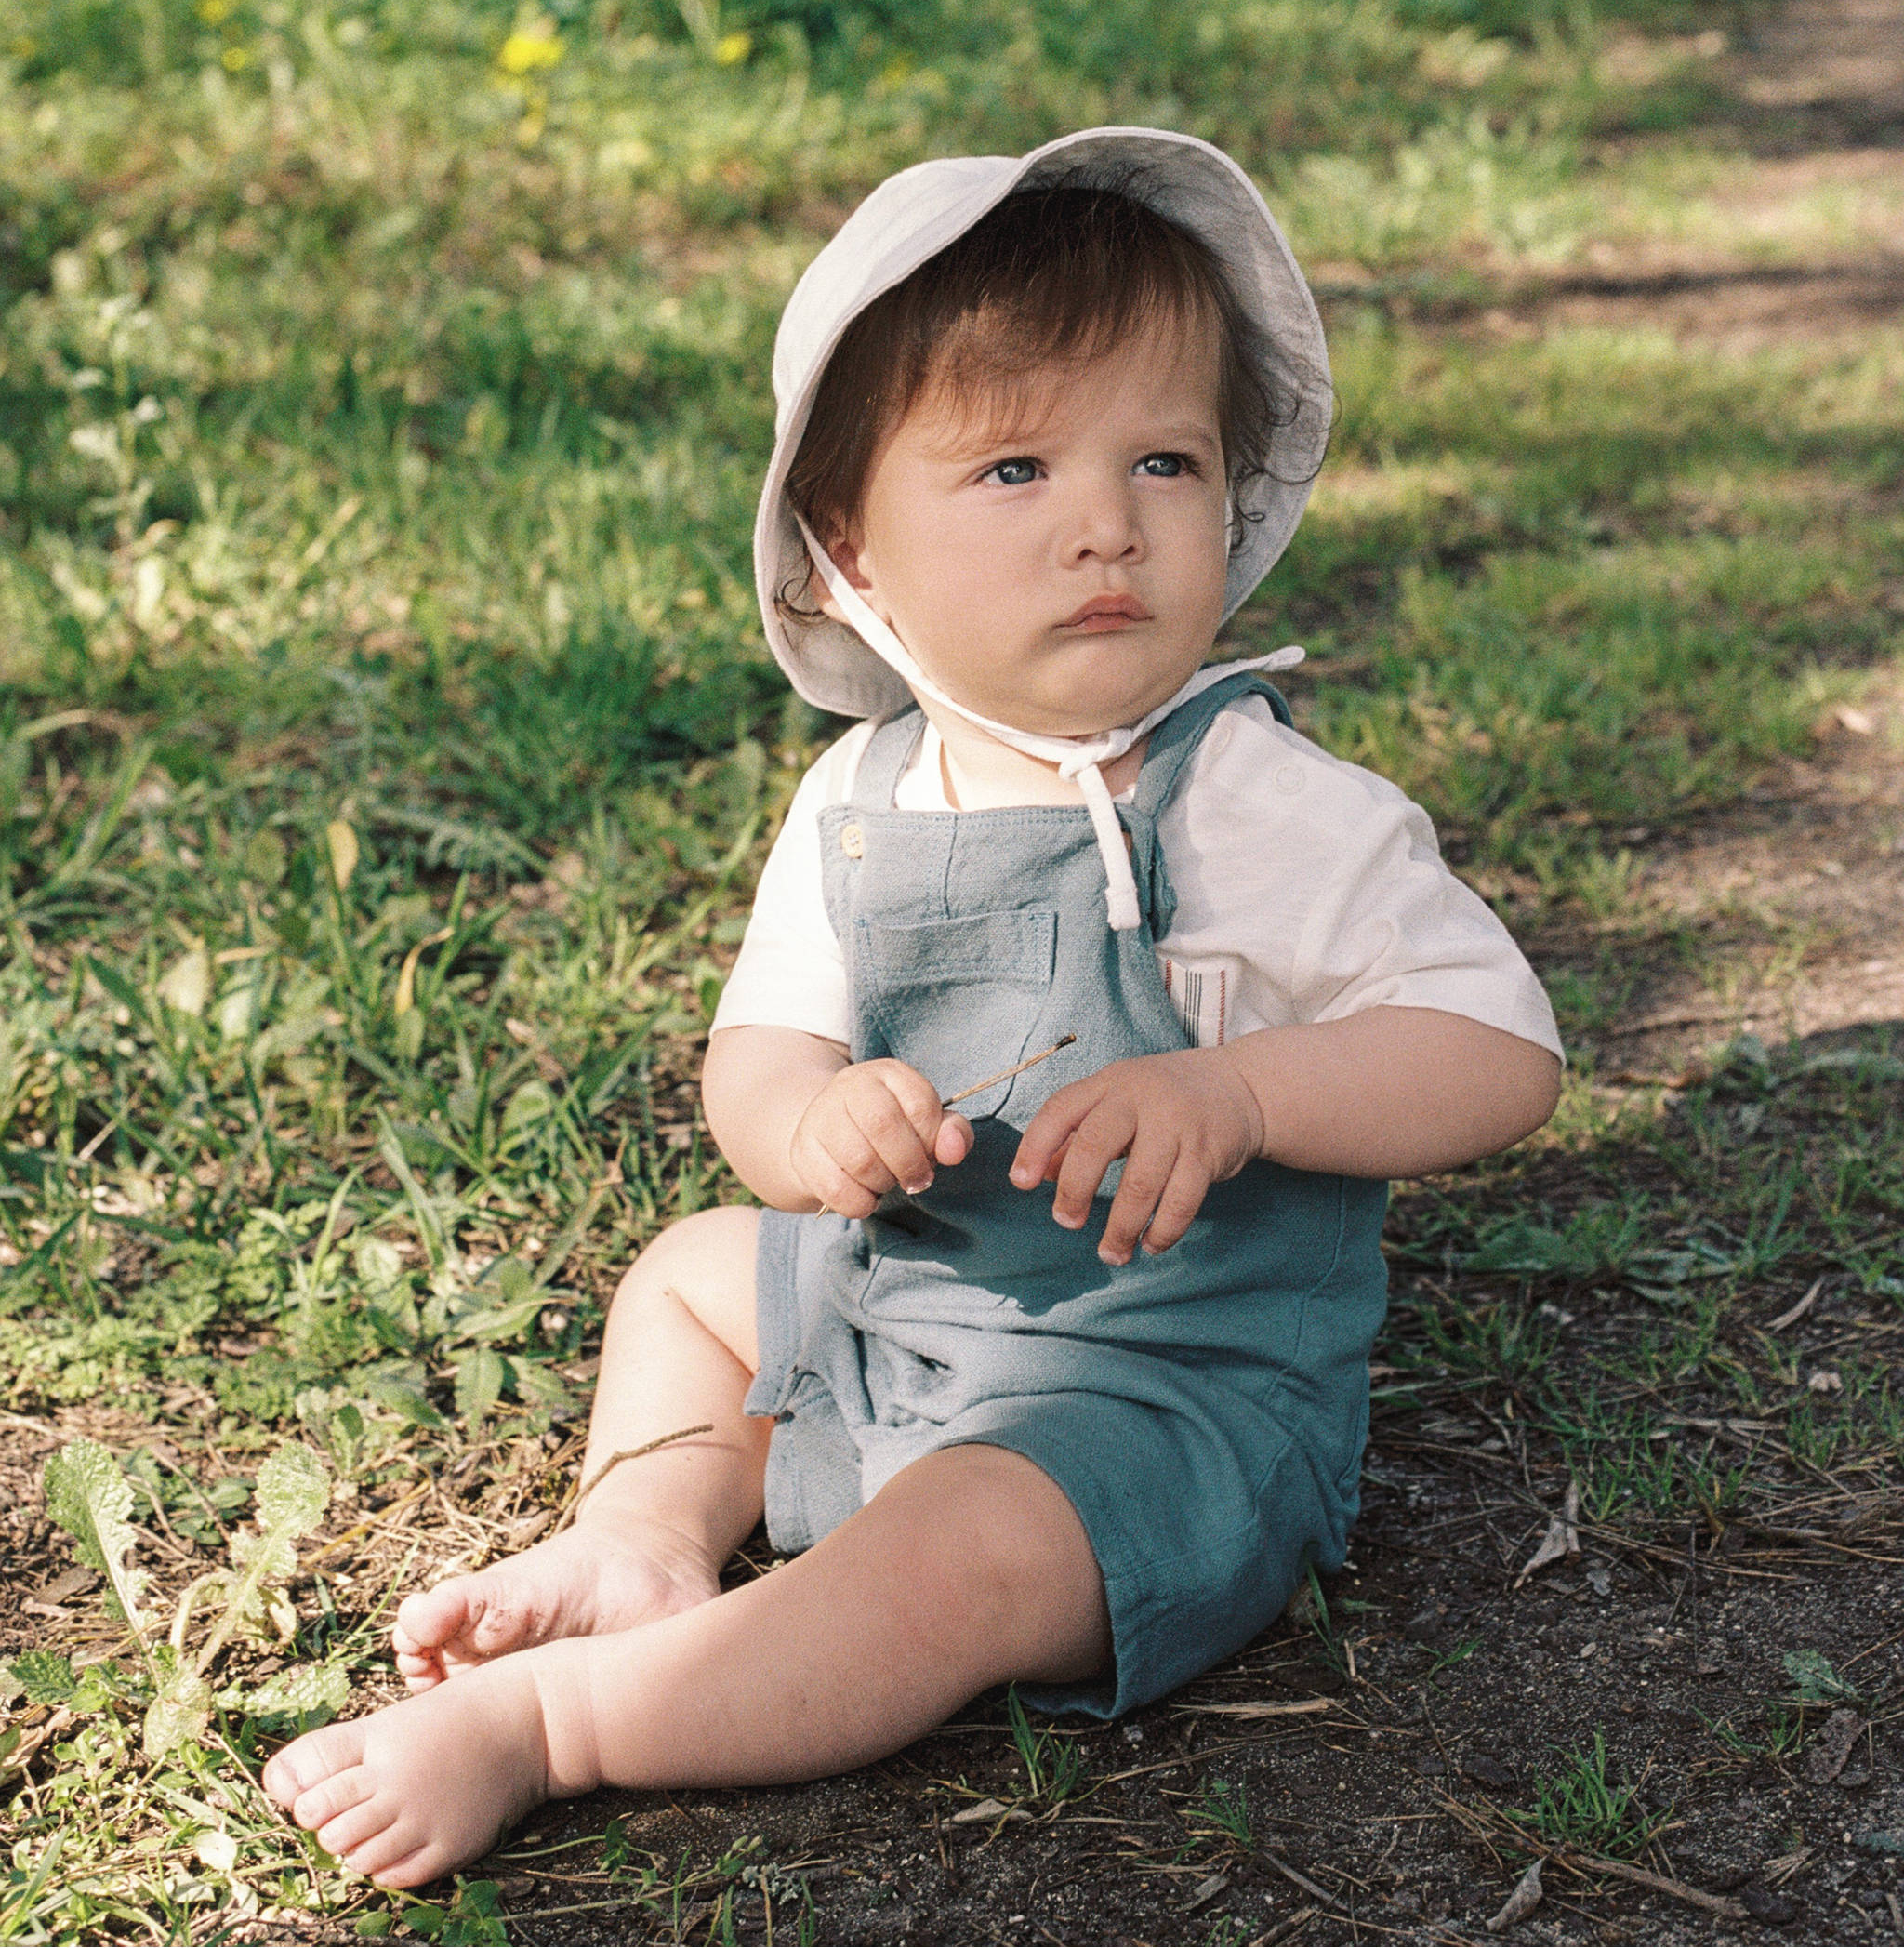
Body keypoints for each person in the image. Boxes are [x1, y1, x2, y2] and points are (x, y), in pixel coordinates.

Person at [264, 126, 1563, 1888]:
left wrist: (1248, 1094)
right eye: (1016, 467)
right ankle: (649, 1533)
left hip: (1158, 1396)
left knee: (943, 1559)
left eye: (1166, 460)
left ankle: (563, 1723)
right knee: (692, 1278)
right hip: (914, 1308)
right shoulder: (858, 799)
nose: (1108, 521)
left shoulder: (1250, 801)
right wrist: (812, 1124)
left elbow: (1496, 1049)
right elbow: (761, 1055)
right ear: (851, 551)